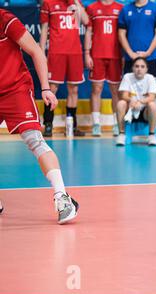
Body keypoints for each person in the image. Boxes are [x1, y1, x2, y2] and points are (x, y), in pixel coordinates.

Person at [0, 9, 79, 224]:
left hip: (15, 89)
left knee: (34, 139)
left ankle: (63, 198)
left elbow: (36, 51)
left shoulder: (5, 20)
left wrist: (45, 88)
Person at [118, 0, 156, 143]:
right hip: (130, 58)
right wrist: (131, 53)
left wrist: (147, 53)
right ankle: (123, 131)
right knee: (126, 92)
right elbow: (121, 34)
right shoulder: (125, 9)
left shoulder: (155, 8)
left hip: (150, 57)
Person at [39, 0, 89, 137]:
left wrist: (76, 3)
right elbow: (44, 29)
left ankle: (71, 125)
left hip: (75, 52)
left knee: (74, 89)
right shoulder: (48, 3)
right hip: (57, 51)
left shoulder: (76, 3)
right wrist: (41, 52)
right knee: (52, 88)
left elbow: (86, 21)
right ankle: (48, 124)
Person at [85, 0, 123, 137]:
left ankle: (116, 123)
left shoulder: (120, 8)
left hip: (115, 55)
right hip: (97, 54)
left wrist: (123, 54)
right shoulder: (92, 8)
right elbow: (89, 31)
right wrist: (87, 53)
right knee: (96, 89)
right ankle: (96, 124)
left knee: (116, 91)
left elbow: (123, 33)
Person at [115, 57, 156, 146]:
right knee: (121, 103)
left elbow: (152, 97)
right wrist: (131, 100)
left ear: (146, 69)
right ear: (133, 68)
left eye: (142, 67)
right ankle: (122, 134)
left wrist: (140, 102)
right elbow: (123, 95)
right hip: (130, 112)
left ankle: (151, 135)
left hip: (145, 113)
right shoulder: (127, 77)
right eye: (137, 66)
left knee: (152, 105)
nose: (139, 69)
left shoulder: (150, 78)